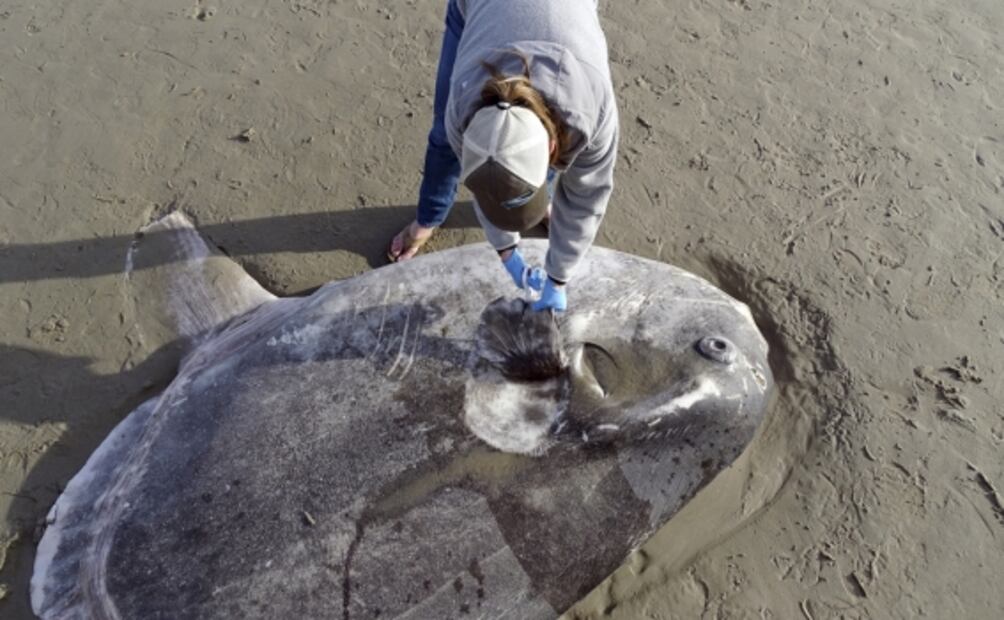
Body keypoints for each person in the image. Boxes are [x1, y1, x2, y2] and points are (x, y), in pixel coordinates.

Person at [387, 0, 618, 313]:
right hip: (481, 9)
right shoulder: (463, 104)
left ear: (552, 146)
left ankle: (533, 197)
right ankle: (430, 217)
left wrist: (558, 278)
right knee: (442, 139)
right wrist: (507, 252)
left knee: (527, 163)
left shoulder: (591, 111)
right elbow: (487, 183)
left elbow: (585, 202)